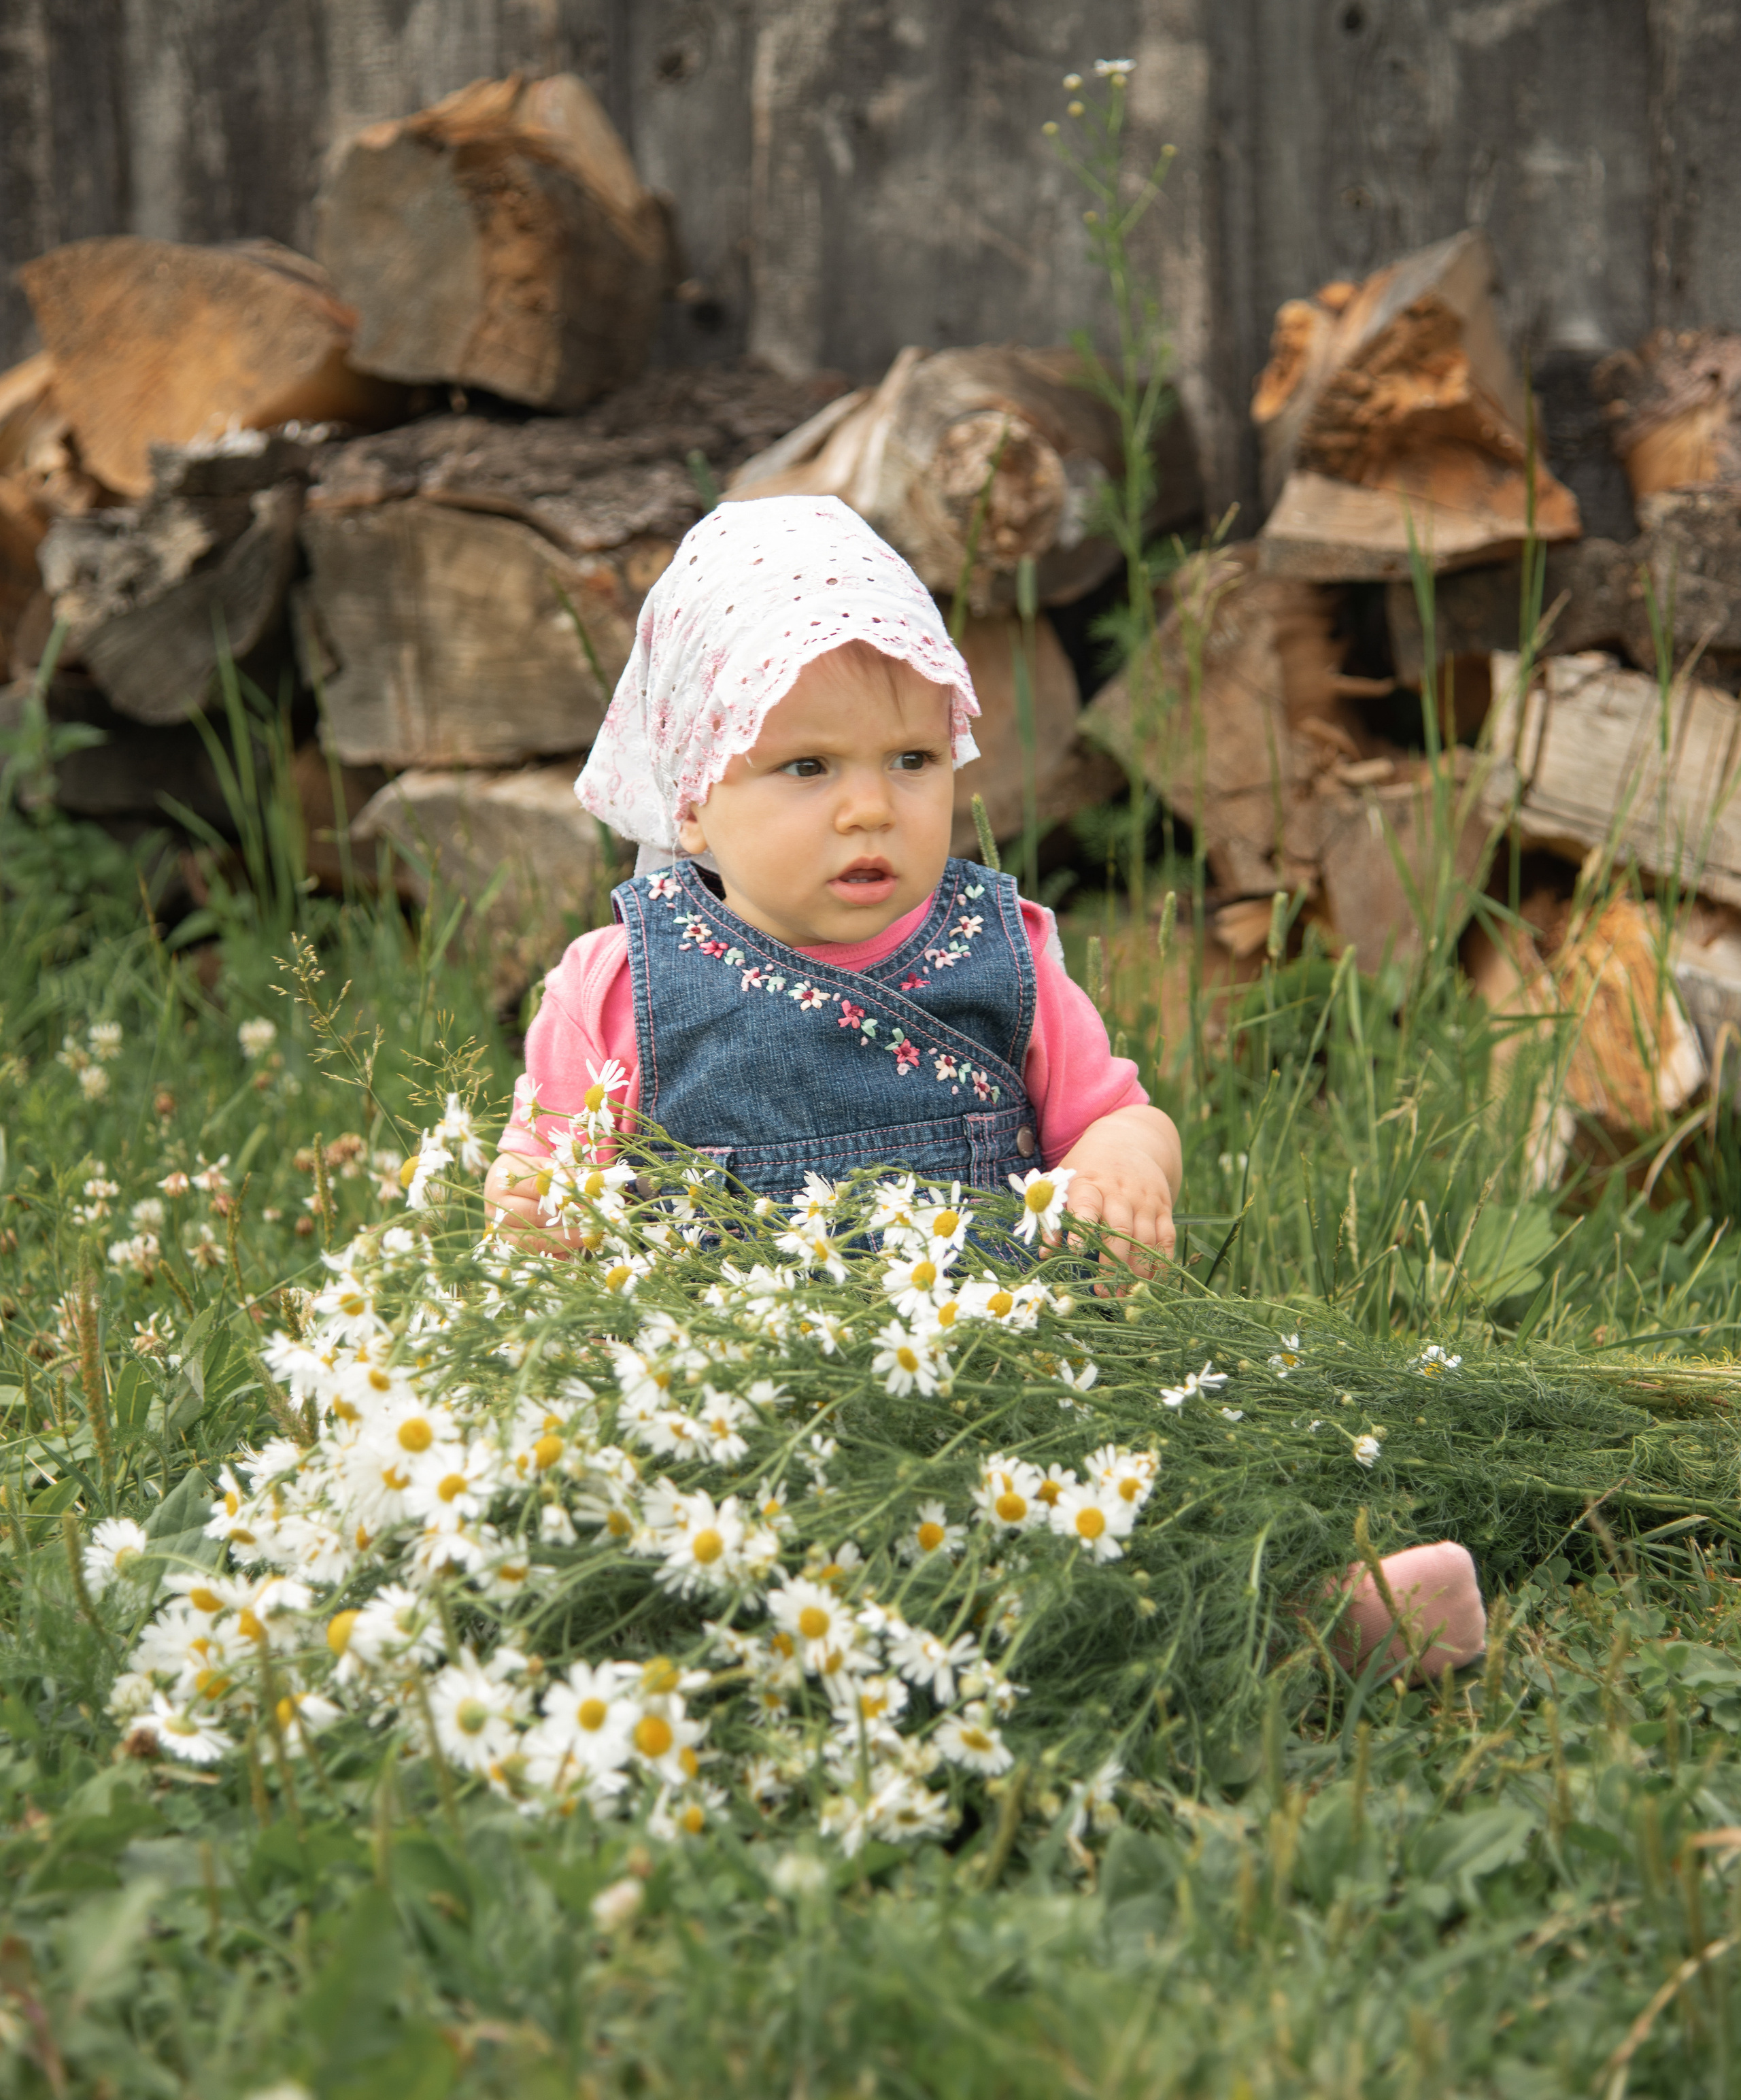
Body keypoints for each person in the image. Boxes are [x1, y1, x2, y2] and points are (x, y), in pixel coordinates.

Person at [484, 493, 1485, 1684]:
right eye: (807, 766)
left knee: (1143, 1495)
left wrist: (1122, 1165)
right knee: (724, 1556)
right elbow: (544, 1186)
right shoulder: (621, 984)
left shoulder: (999, 950)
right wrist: (539, 1212)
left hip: (1012, 1386)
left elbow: (1117, 1111)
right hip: (748, 1421)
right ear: (693, 796)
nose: (872, 805)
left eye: (911, 760)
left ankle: (1291, 1614)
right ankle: (938, 1654)